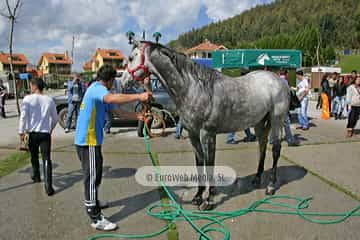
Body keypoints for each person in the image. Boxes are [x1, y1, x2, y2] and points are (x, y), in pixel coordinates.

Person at [74, 65, 151, 231]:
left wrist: (137, 116)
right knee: (92, 177)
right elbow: (111, 99)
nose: (113, 85)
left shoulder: (99, 91)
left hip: (92, 141)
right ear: (109, 81)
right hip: (88, 141)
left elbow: (117, 112)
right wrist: (139, 96)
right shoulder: (97, 89)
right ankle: (95, 216)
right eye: (113, 82)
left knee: (97, 173)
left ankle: (93, 201)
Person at [18, 78, 58, 196]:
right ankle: (48, 187)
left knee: (34, 156)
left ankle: (36, 176)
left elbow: (23, 117)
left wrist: (21, 131)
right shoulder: (49, 100)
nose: (30, 87)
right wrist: (49, 129)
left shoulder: (28, 99)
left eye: (31, 85)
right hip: (45, 133)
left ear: (34, 86)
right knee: (46, 158)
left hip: (33, 134)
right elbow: (55, 119)